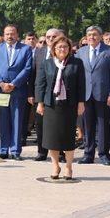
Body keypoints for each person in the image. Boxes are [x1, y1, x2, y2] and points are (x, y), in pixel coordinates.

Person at [36, 36, 86, 180]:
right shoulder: (47, 64)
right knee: (52, 137)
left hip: (70, 105)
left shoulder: (77, 63)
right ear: (54, 50)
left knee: (68, 136)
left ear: (69, 49)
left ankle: (69, 167)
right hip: (51, 105)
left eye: (65, 47)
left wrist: (81, 102)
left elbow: (81, 85)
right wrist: (40, 103)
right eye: (59, 47)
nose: (62, 49)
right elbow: (40, 84)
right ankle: (55, 165)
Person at [0, 25, 33, 160]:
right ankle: (3, 149)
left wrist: (14, 84)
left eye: (12, 34)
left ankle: (15, 150)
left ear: (17, 35)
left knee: (17, 120)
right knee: (2, 120)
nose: (9, 36)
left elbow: (27, 69)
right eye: (7, 34)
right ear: (3, 35)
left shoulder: (25, 49)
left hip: (18, 89)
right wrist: (1, 84)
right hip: (0, 90)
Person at [75, 26, 110, 165]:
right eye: (89, 35)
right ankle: (88, 155)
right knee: (87, 125)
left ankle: (103, 154)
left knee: (103, 126)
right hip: (85, 95)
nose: (91, 37)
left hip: (103, 94)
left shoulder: (108, 52)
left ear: (101, 36)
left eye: (95, 35)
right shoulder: (80, 52)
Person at [28, 28, 65, 161]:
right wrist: (31, 93)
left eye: (53, 36)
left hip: (59, 95)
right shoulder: (39, 52)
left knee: (58, 124)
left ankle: (60, 152)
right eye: (48, 37)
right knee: (40, 124)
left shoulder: (64, 52)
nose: (50, 39)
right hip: (41, 95)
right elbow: (33, 74)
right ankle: (42, 152)